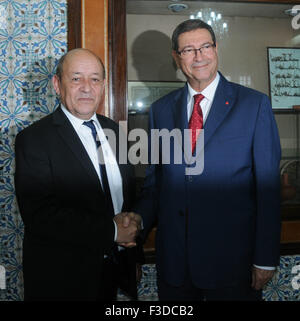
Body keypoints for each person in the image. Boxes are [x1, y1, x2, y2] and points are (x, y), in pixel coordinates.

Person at [134, 19, 281, 301]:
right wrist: (135, 225)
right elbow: (156, 185)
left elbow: (268, 188)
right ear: (176, 58)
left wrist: (265, 257)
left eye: (205, 47)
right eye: (188, 50)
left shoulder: (253, 105)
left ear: (216, 49)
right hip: (176, 267)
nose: (199, 56)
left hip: (232, 265)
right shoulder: (160, 111)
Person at [14, 48, 142, 301]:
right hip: (62, 278)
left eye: (94, 79)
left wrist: (131, 253)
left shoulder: (116, 131)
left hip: (112, 272)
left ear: (103, 86)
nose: (86, 87)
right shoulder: (34, 139)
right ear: (57, 85)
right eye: (76, 78)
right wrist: (113, 232)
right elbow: (40, 216)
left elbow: (128, 196)